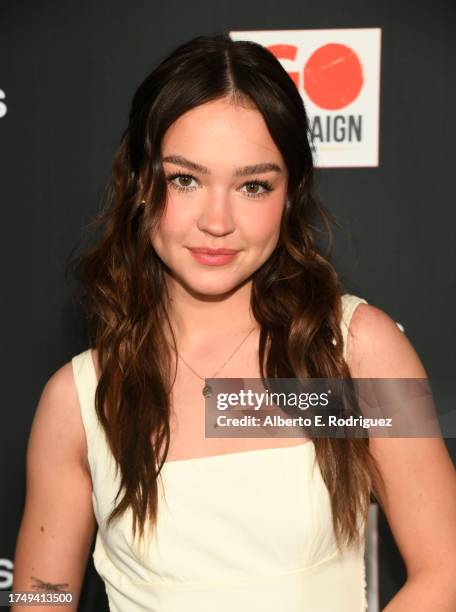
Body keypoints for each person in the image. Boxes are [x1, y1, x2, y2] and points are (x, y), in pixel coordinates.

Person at [12, 34, 456, 612]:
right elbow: (38, 595)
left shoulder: (351, 354)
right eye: (186, 180)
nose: (217, 220)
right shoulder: (77, 400)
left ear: (290, 194)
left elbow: (445, 567)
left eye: (252, 185)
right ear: (141, 184)